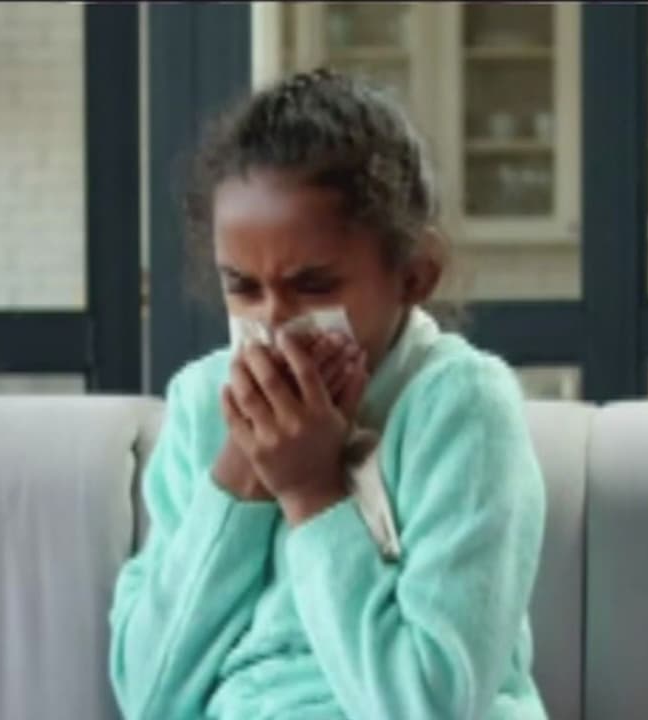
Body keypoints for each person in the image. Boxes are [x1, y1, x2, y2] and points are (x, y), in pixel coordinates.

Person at [109, 68, 547, 720]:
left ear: (414, 276)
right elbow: (148, 695)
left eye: (314, 287)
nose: (274, 322)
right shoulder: (203, 403)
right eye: (243, 288)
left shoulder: (461, 408)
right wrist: (241, 470)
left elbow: (427, 707)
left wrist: (310, 492)